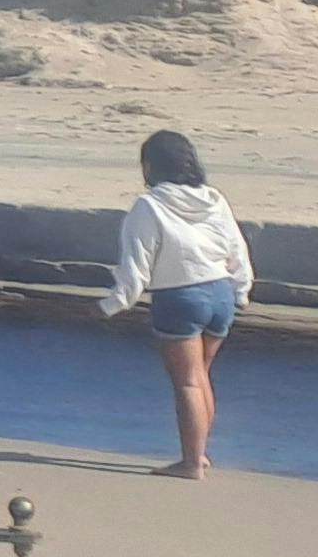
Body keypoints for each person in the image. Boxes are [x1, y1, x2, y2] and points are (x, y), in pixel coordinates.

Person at [99, 130, 251, 478]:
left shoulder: (148, 206)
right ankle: (201, 453)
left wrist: (113, 304)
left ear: (150, 167)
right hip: (220, 292)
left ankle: (190, 462)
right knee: (201, 376)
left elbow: (136, 264)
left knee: (186, 382)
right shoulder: (214, 198)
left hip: (180, 297)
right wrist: (241, 290)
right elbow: (236, 248)